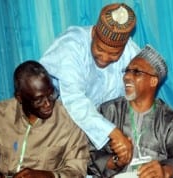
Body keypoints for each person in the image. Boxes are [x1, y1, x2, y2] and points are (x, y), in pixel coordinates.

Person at [39, 3, 139, 163]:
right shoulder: (71, 46)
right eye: (100, 49)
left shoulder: (131, 52)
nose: (105, 58)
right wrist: (113, 133)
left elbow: (141, 87)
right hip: (56, 125)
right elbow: (74, 100)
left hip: (99, 130)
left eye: (114, 54)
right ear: (94, 34)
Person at [88, 45, 173, 178]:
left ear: (153, 81)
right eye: (127, 71)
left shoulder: (170, 119)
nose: (127, 77)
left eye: (136, 72)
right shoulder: (108, 111)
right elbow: (89, 154)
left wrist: (164, 171)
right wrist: (116, 162)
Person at [0, 61, 90, 178]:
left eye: (51, 94)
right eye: (39, 100)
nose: (48, 103)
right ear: (19, 98)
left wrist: (48, 176)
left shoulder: (69, 120)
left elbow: (77, 170)